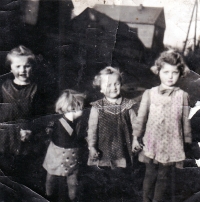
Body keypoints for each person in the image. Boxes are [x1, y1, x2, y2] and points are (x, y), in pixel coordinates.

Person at [132, 50, 192, 202]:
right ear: (158, 71)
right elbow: (141, 118)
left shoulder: (182, 96)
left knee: (164, 176)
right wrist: (135, 137)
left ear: (180, 74)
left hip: (172, 143)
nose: (170, 76)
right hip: (152, 142)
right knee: (150, 173)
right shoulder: (149, 94)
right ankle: (146, 199)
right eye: (166, 72)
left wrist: (187, 141)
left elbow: (185, 120)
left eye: (175, 72)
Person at [87, 66, 140, 198]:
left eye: (116, 83)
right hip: (103, 148)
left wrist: (135, 140)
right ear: (101, 88)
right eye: (108, 85)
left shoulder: (128, 105)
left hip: (122, 148)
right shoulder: (97, 107)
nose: (113, 88)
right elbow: (92, 129)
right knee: (104, 179)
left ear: (121, 84)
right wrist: (92, 147)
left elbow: (136, 125)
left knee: (122, 177)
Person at [0, 45, 44, 180]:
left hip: (24, 137)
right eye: (18, 66)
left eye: (27, 66)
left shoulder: (36, 90)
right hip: (4, 136)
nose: (23, 70)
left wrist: (32, 130)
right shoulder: (3, 87)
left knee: (22, 172)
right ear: (10, 67)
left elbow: (40, 116)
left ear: (32, 67)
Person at [43, 89, 86, 202]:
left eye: (79, 109)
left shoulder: (80, 122)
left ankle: (73, 198)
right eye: (74, 110)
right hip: (56, 153)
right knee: (51, 176)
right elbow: (49, 131)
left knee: (72, 180)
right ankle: (48, 195)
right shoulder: (57, 121)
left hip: (72, 156)